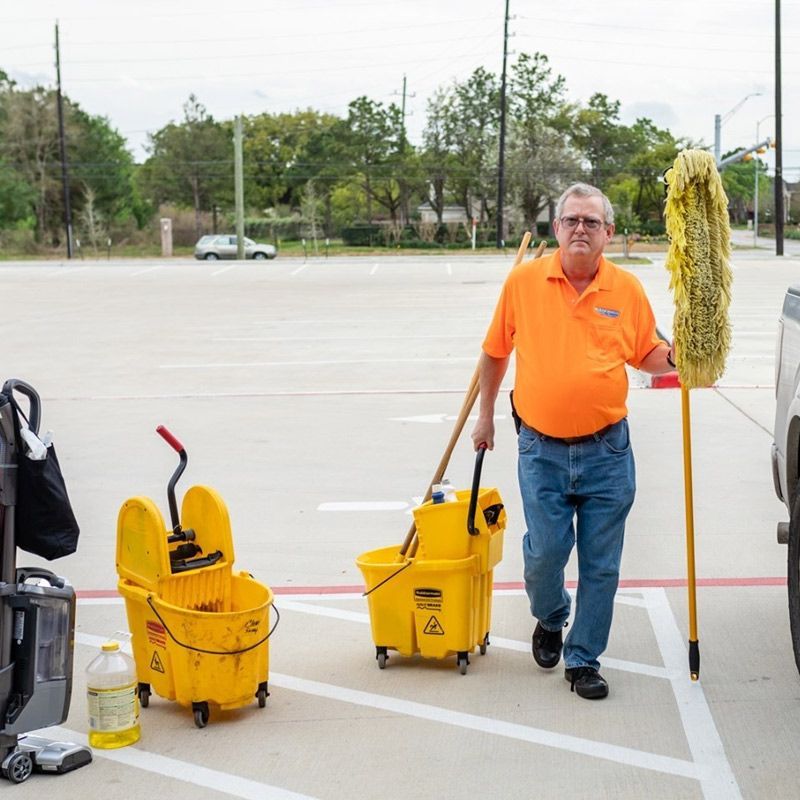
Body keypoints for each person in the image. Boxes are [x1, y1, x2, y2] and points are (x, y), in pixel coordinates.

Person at [471, 183, 675, 700]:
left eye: (591, 221)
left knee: (601, 564)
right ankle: (550, 615)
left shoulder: (625, 289)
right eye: (570, 221)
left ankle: (584, 658)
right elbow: (495, 352)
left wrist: (683, 355)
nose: (580, 229)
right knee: (544, 554)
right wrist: (485, 417)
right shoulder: (524, 282)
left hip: (608, 450)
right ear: (556, 229)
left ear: (608, 232)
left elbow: (647, 352)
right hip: (541, 449)